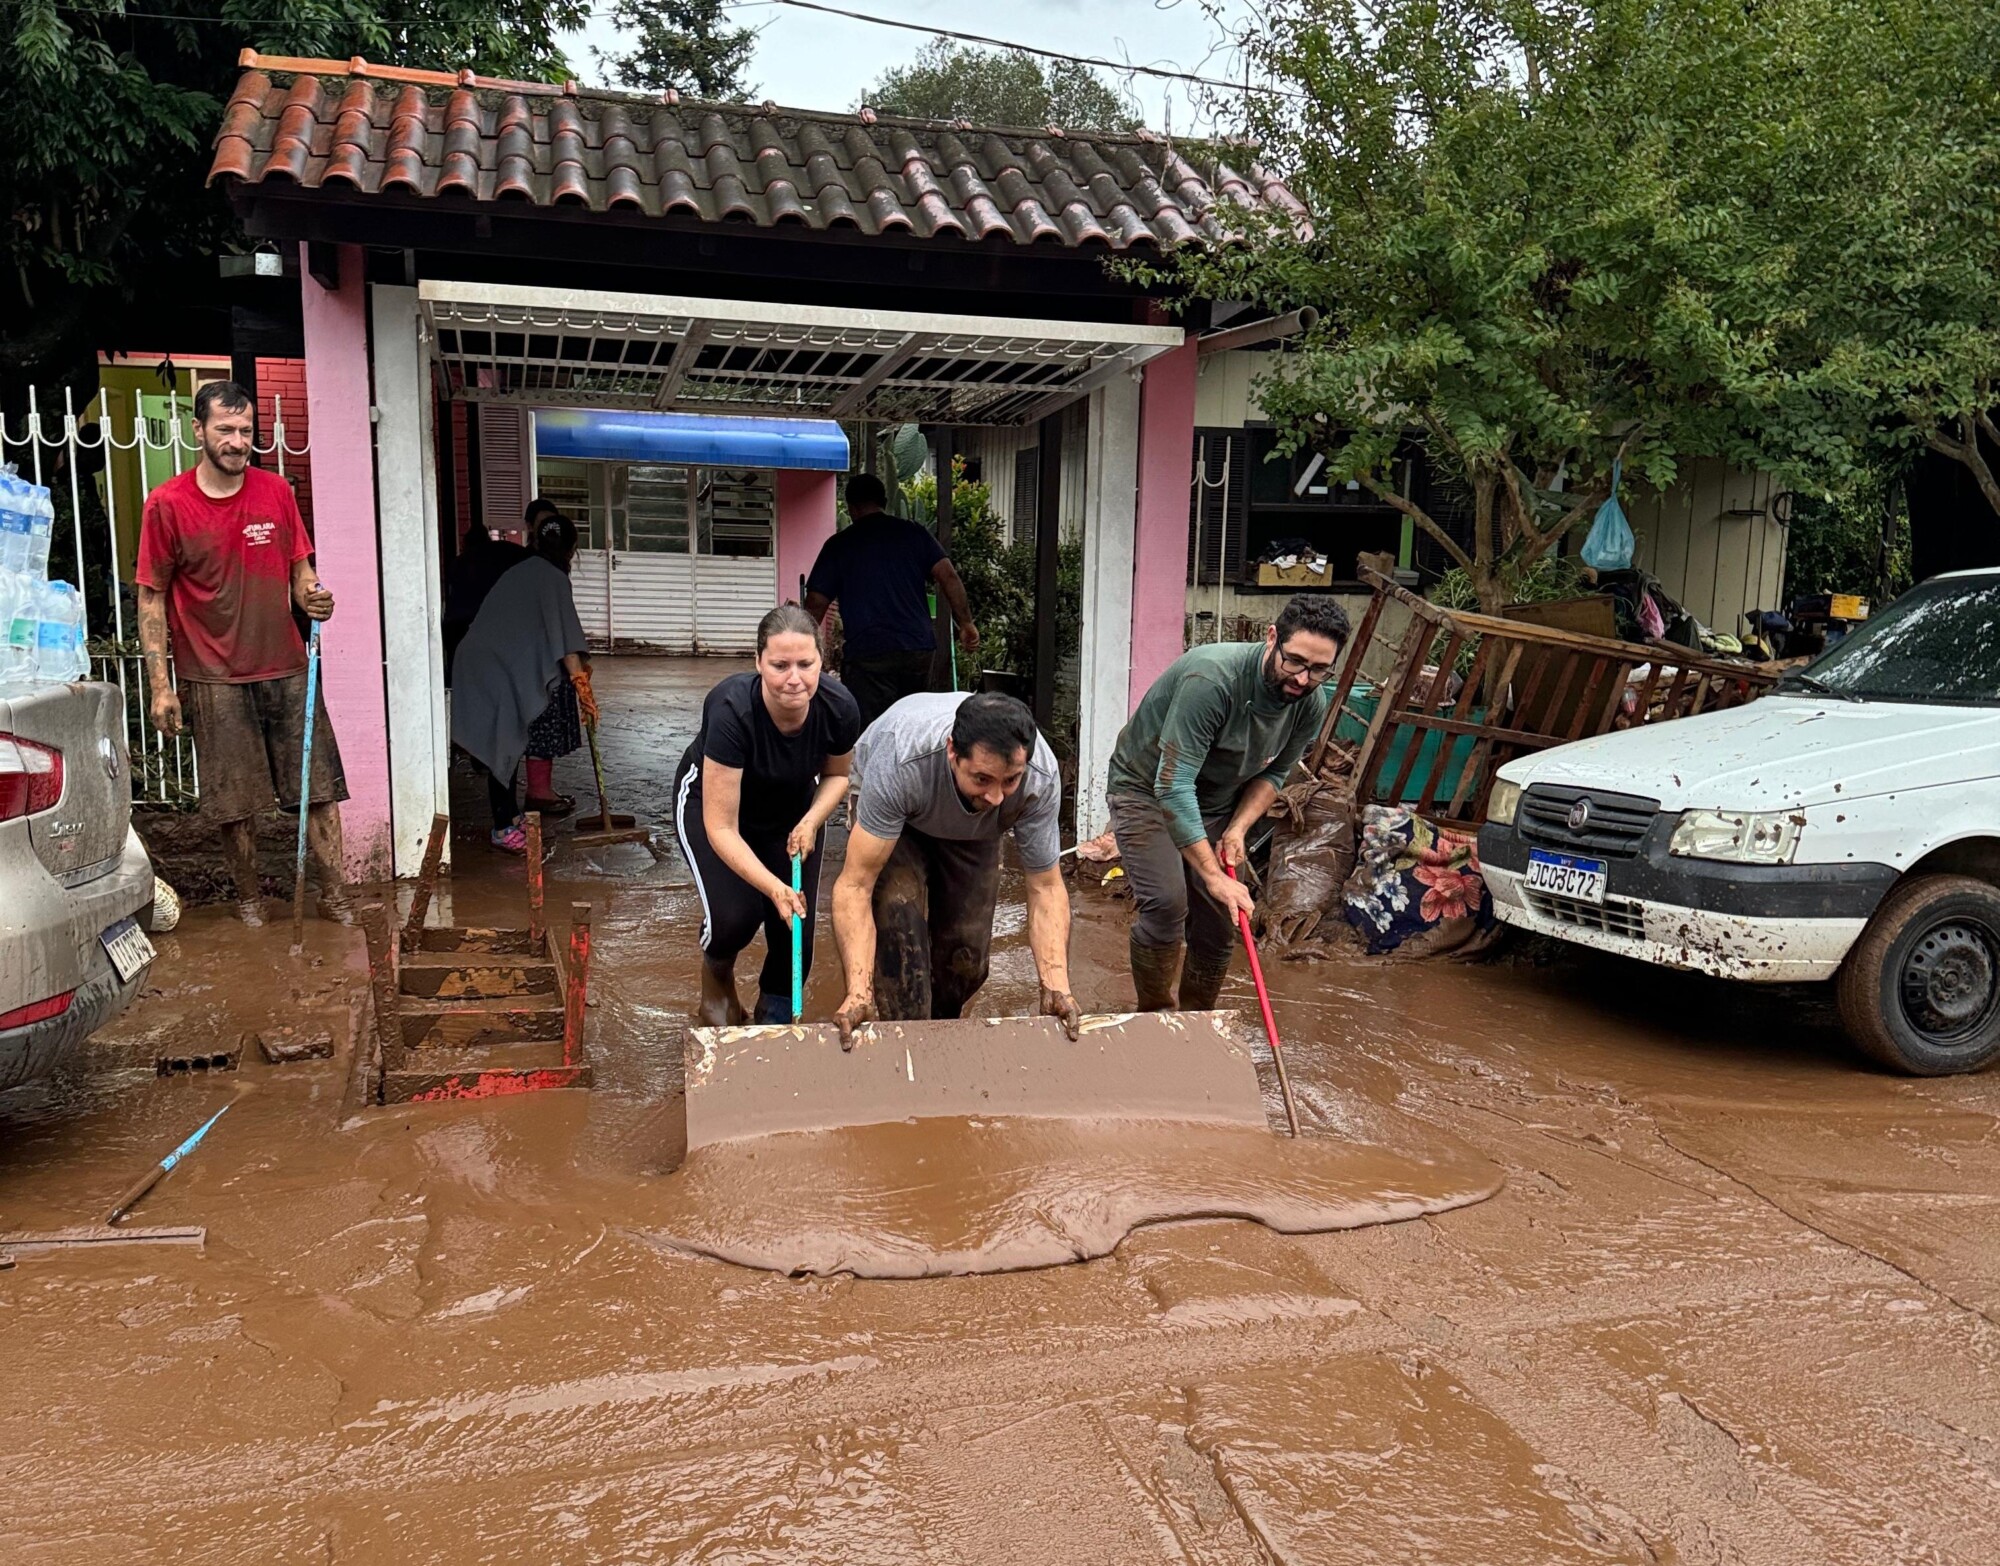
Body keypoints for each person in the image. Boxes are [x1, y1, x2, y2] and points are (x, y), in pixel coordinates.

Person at [137, 380, 348, 929]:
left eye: (246, 431)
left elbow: (302, 573)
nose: (237, 441)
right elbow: (152, 599)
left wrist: (315, 598)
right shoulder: (167, 505)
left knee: (319, 789)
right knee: (236, 805)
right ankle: (250, 902)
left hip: (286, 665)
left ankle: (336, 896)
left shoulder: (276, 491)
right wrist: (161, 687)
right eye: (225, 430)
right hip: (212, 674)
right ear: (199, 430)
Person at [1107, 595, 1352, 1011]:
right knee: (1168, 905)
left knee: (1219, 926)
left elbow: (1274, 775)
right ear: (1272, 638)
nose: (1302, 678)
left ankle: (1199, 1026)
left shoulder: (1310, 702)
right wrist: (1212, 873)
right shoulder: (1213, 680)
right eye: (1293, 661)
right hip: (1146, 789)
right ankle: (1155, 1018)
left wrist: (1238, 827)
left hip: (1217, 802)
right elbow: (1173, 785)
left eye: (1318, 669)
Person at [831, 691, 1079, 1045]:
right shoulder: (902, 758)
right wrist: (858, 992)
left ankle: (940, 1042)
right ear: (952, 751)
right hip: (901, 822)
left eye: (1010, 780)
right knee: (902, 957)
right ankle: (907, 1050)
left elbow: (1046, 887)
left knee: (966, 963)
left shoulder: (1039, 777)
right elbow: (855, 885)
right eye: (982, 778)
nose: (996, 797)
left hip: (975, 831)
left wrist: (1056, 987)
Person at [672, 605, 861, 1026]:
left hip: (793, 813)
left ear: (821, 663)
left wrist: (812, 820)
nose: (794, 679)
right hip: (715, 809)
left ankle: (773, 1016)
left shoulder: (840, 708)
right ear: (758, 663)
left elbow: (837, 776)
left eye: (805, 664)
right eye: (779, 665)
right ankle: (717, 975)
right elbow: (721, 826)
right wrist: (774, 888)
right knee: (735, 918)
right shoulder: (730, 709)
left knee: (798, 931)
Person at [450, 511, 599, 851]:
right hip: (491, 668)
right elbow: (565, 644)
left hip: (481, 660)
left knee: (509, 742)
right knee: (502, 743)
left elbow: (548, 631)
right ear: (571, 549)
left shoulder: (526, 570)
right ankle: (502, 828)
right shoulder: (553, 578)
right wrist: (583, 687)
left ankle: (510, 815)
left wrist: (578, 678)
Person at [802, 473, 980, 729]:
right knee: (913, 725)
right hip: (916, 650)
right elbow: (949, 576)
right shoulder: (914, 533)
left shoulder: (840, 545)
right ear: (884, 501)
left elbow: (816, 602)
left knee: (872, 730)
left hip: (869, 653)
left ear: (850, 507)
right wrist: (966, 623)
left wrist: (805, 646)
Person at [441, 500, 539, 681]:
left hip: (460, 623)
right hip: (493, 623)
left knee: (459, 672)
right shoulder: (505, 552)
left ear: (466, 543)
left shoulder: (459, 562)